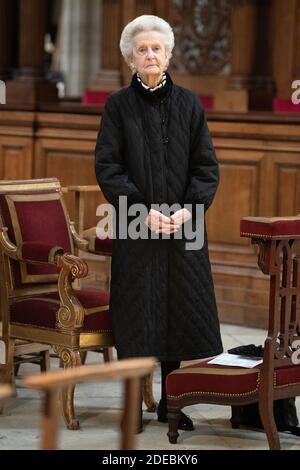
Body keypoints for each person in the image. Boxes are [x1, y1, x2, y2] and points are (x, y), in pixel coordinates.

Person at [95, 15, 223, 433]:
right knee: (138, 316)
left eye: (157, 48)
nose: (150, 55)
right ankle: (134, 404)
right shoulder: (117, 106)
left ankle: (172, 403)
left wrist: (190, 209)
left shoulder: (190, 104)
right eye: (142, 49)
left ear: (168, 55)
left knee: (178, 315)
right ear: (130, 59)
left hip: (184, 224)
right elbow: (108, 167)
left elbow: (206, 168)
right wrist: (140, 209)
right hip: (137, 224)